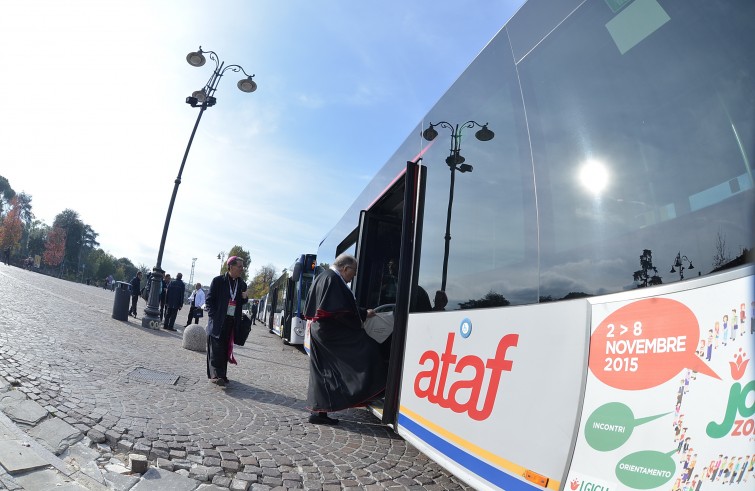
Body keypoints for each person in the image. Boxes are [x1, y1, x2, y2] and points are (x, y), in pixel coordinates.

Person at [304, 253, 387, 425]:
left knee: (324, 372)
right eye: (353, 272)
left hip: (323, 331)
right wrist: (363, 314)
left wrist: (362, 312)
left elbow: (338, 307)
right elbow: (341, 312)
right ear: (346, 268)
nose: (354, 276)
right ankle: (368, 390)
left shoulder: (323, 276)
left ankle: (319, 412)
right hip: (332, 333)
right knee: (369, 349)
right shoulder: (333, 279)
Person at [206, 256, 249, 386]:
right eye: (240, 266)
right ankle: (215, 375)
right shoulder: (218, 281)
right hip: (218, 320)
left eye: (242, 267)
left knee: (225, 348)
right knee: (215, 349)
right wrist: (214, 315)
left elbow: (242, 302)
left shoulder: (242, 284)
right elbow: (209, 300)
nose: (242, 269)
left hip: (231, 321)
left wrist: (245, 298)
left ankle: (222, 375)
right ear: (231, 266)